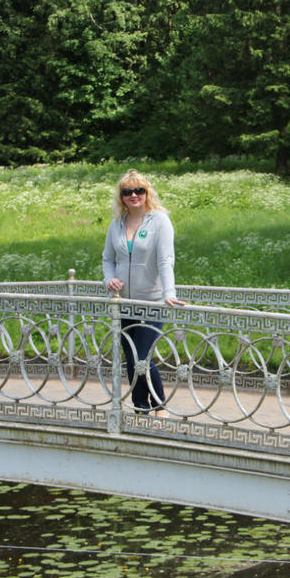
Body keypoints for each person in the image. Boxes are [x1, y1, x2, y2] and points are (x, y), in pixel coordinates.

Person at [102, 169, 186, 416]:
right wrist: (109, 280)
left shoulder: (159, 221)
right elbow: (107, 259)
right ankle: (141, 409)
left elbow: (165, 260)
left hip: (152, 300)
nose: (134, 195)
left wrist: (169, 292)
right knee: (131, 357)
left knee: (142, 356)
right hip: (124, 302)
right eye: (127, 192)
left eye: (139, 190)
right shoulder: (116, 224)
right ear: (121, 197)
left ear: (147, 193)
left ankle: (160, 405)